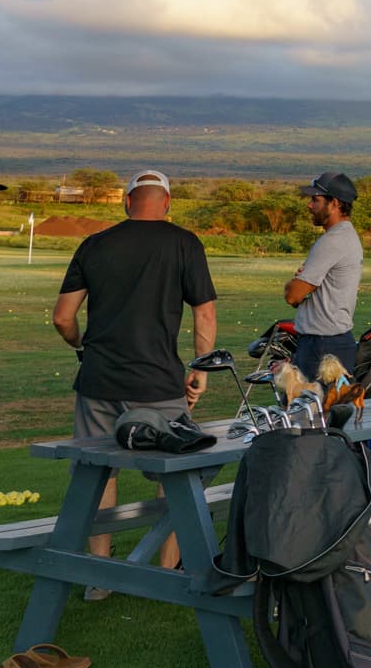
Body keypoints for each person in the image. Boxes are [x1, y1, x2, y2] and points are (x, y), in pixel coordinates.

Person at [52, 169, 217, 582]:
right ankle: (169, 570)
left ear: (126, 202)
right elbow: (205, 313)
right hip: (159, 382)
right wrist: (201, 367)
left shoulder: (94, 245)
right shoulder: (184, 243)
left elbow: (62, 317)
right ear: (167, 204)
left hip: (99, 381)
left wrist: (80, 346)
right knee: (172, 472)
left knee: (98, 472)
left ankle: (100, 575)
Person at [286, 171, 364, 378]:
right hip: (331, 341)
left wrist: (294, 284)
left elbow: (293, 295)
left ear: (335, 203)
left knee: (309, 409)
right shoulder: (346, 236)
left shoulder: (332, 241)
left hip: (320, 344)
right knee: (328, 409)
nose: (309, 205)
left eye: (315, 200)